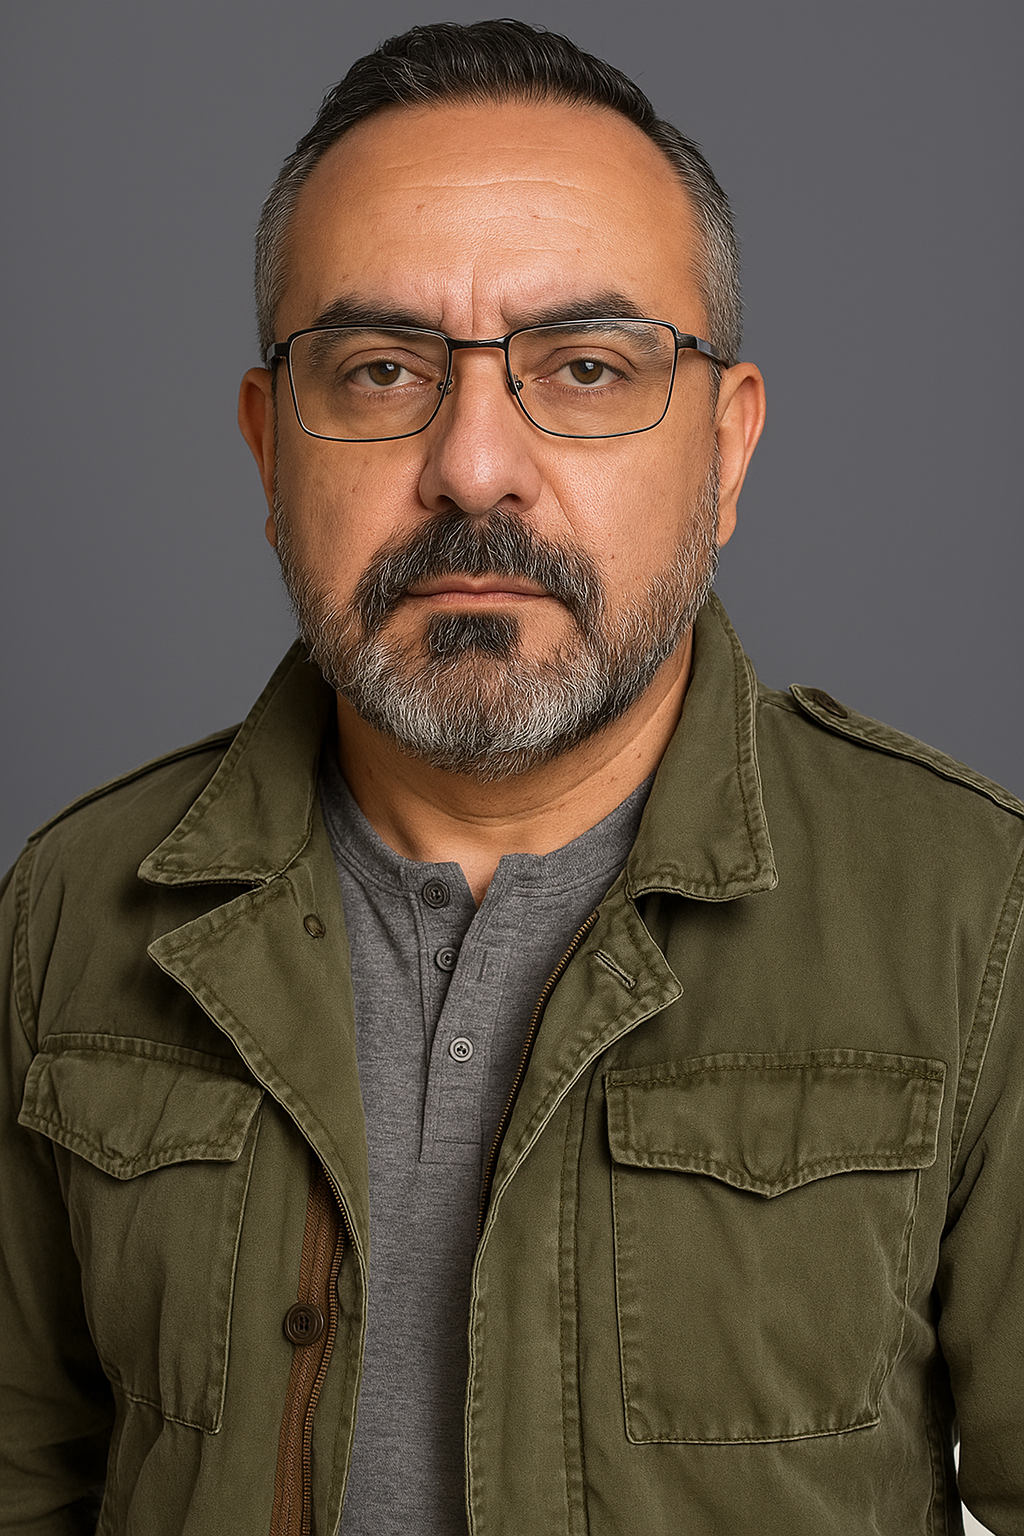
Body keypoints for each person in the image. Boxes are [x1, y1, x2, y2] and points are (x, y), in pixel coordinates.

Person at [1, 17, 1021, 1535]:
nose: (475, 466)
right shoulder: (68, 908)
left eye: (587, 368)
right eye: (380, 371)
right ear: (270, 449)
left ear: (727, 451)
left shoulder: (977, 915)